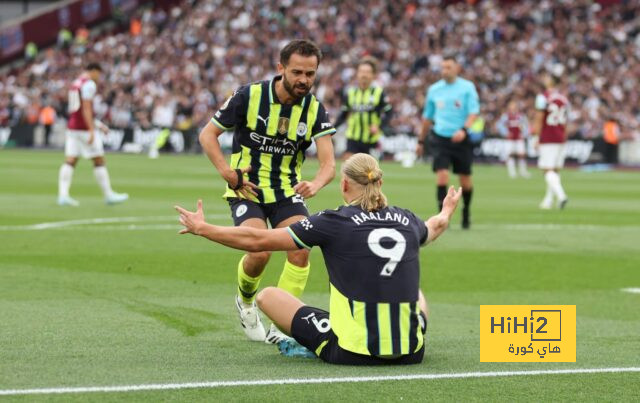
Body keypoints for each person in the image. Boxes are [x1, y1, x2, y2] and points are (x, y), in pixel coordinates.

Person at [175, 153, 461, 365]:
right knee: (417, 295)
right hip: (412, 352)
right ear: (380, 182)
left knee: (268, 297)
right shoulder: (407, 218)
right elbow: (434, 227)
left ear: (345, 185)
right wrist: (447, 210)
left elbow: (258, 240)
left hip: (352, 353)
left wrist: (203, 229)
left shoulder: (332, 221)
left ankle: (314, 338)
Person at [198, 39, 336, 344]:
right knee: (259, 251)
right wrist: (227, 172)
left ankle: (282, 322)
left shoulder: (314, 108)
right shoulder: (249, 95)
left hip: (286, 192)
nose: (304, 80)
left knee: (300, 249)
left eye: (310, 74)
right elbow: (208, 135)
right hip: (247, 188)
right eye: (297, 72)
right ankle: (246, 302)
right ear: (281, 68)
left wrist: (315, 183)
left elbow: (329, 164)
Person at [416, 55, 479, 229]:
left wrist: (464, 130)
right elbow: (428, 117)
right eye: (443, 67)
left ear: (457, 68)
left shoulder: (467, 88)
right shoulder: (435, 90)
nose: (445, 71)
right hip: (440, 137)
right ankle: (442, 216)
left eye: (448, 67)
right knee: (442, 176)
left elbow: (473, 112)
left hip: (461, 138)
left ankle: (466, 211)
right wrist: (420, 141)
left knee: (465, 179)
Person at [58, 63, 129, 206]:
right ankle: (108, 195)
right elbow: (86, 109)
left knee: (71, 160)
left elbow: (76, 109)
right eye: (99, 74)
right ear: (94, 71)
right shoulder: (89, 84)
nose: (99, 77)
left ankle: (63, 195)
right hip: (84, 129)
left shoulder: (76, 83)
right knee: (99, 160)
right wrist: (92, 129)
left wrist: (99, 124)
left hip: (72, 127)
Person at [333, 57, 392, 159]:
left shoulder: (379, 93)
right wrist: (332, 129)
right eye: (361, 71)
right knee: (348, 170)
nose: (364, 75)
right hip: (353, 137)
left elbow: (389, 113)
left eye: (367, 72)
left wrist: (379, 126)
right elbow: (343, 115)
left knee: (370, 173)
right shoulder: (351, 93)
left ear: (373, 75)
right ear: (357, 74)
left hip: (371, 139)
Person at [531, 74, 569, 209]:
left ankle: (561, 196)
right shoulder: (563, 99)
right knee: (555, 171)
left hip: (548, 137)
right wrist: (565, 137)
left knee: (547, 170)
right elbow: (566, 120)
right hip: (560, 136)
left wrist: (536, 137)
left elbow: (539, 117)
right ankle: (548, 200)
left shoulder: (543, 97)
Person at [496, 100, 530, 178]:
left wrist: (523, 134)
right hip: (509, 139)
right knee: (510, 154)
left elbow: (526, 126)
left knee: (521, 154)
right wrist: (506, 133)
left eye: (514, 106)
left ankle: (523, 171)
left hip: (519, 138)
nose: (513, 108)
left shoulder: (521, 116)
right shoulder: (506, 116)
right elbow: (500, 125)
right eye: (511, 106)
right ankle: (512, 172)